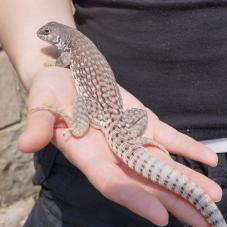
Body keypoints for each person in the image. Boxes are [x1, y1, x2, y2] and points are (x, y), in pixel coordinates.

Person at [0, 0, 226, 226]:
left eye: (47, 33)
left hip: (104, 119)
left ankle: (78, 127)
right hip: (105, 143)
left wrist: (53, 68)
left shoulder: (70, 50)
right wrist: (37, 67)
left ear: (59, 38)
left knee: (84, 100)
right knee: (139, 115)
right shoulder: (76, 43)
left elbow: (63, 62)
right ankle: (135, 140)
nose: (43, 35)